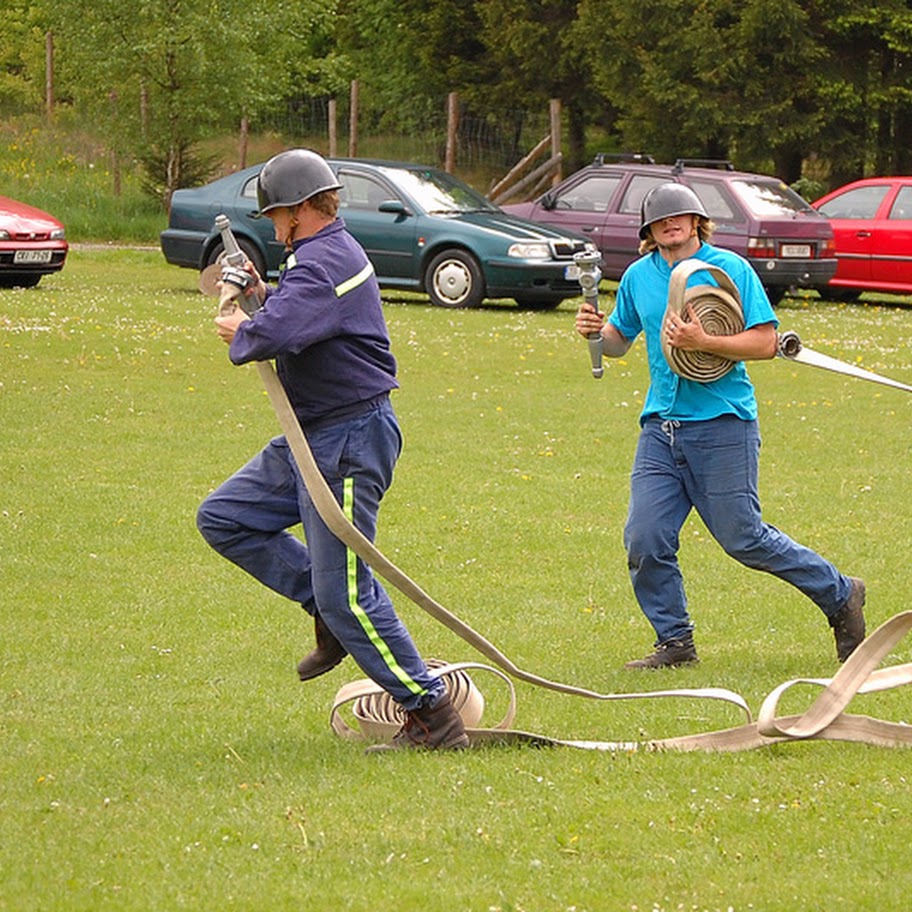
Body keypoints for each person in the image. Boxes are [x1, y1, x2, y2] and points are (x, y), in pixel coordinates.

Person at [196, 148, 468, 749]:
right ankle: (325, 611)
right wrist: (263, 296)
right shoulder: (314, 259)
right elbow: (299, 319)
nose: (271, 227)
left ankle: (431, 713)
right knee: (225, 519)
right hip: (309, 434)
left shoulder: (326, 260)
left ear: (296, 211)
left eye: (274, 216)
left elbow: (279, 333)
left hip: (347, 440)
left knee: (348, 594)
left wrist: (244, 328)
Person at [574, 182, 866, 669]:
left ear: (696, 223)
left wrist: (702, 339)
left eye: (681, 216)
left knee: (743, 538)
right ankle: (675, 642)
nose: (672, 224)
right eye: (661, 219)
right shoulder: (639, 277)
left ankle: (840, 594)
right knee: (645, 538)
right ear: (649, 229)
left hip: (722, 423)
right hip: (660, 429)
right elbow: (619, 340)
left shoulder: (729, 269)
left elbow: (766, 342)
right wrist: (594, 335)